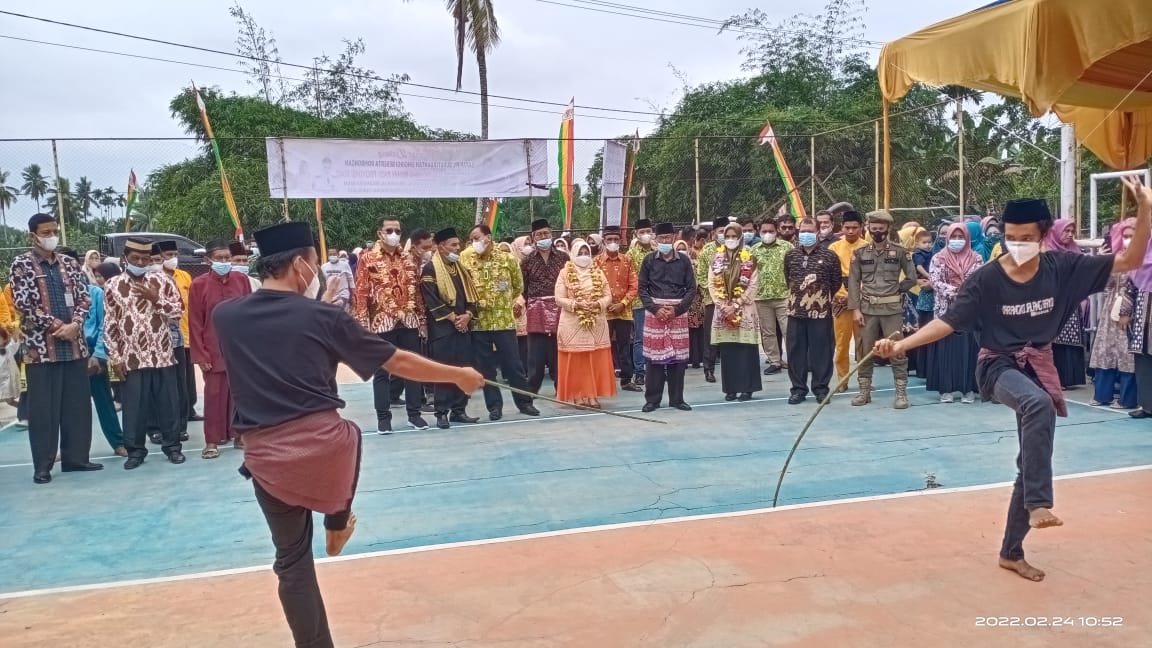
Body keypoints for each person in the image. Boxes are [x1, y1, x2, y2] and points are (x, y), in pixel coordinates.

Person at [213, 221, 484, 648]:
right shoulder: (323, 316)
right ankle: (337, 518)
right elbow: (397, 362)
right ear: (301, 265)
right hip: (322, 448)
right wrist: (460, 376)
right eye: (315, 262)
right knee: (346, 435)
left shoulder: (225, 317)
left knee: (292, 563)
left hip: (266, 457)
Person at [873, 181, 1152, 583]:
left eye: (1026, 238)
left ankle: (1011, 551)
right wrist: (903, 344)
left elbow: (1130, 259)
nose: (1016, 245)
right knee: (1037, 405)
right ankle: (1040, 503)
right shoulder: (986, 279)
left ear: (1042, 238)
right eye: (1009, 238)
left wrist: (1144, 211)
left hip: (1039, 364)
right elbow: (948, 321)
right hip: (998, 365)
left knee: (1030, 460)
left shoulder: (1065, 268)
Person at [10, 213, 101, 484]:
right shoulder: (22, 265)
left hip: (75, 348)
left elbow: (85, 297)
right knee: (43, 411)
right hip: (41, 351)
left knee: (77, 407)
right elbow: (24, 304)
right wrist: (58, 325)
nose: (51, 236)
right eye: (46, 232)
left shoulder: (70, 263)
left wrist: (75, 325)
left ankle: (76, 459)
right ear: (33, 235)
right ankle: (43, 466)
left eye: (54, 231)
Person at [104, 237, 186, 469]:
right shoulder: (112, 285)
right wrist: (115, 357)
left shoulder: (162, 281)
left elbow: (177, 312)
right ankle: (135, 452)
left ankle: (172, 448)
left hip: (162, 354)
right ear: (125, 258)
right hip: (131, 357)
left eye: (145, 259)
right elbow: (110, 324)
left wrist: (155, 298)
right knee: (134, 408)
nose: (140, 262)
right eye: (135, 258)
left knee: (168, 404)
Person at [352, 218, 429, 433]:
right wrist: (362, 326)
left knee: (413, 368)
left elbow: (418, 291)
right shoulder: (367, 258)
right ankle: (383, 418)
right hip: (380, 322)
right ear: (380, 233)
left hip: (409, 320)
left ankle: (414, 415)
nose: (394, 233)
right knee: (382, 372)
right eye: (390, 230)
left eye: (397, 230)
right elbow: (361, 293)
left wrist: (422, 320)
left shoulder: (409, 259)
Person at [460, 224, 539, 420]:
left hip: (503, 320)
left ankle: (524, 403)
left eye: (477, 237)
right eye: (472, 239)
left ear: (489, 236)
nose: (474, 242)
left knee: (513, 365)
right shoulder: (465, 259)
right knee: (486, 368)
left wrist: (500, 302)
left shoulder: (507, 259)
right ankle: (494, 407)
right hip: (479, 323)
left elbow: (517, 286)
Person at [847, 209, 917, 409]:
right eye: (874, 228)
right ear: (868, 228)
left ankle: (901, 394)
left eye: (881, 228)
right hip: (867, 311)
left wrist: (896, 289)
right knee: (864, 351)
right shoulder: (860, 253)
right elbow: (854, 281)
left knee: (897, 350)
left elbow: (911, 278)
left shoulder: (900, 252)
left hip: (891, 310)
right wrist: (855, 309)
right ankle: (864, 392)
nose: (877, 232)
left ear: (888, 229)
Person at [58, 248, 125, 457]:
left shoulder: (95, 293)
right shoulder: (55, 297)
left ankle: (118, 442)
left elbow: (104, 326)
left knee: (104, 400)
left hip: (92, 355)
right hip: (64, 356)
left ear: (77, 266)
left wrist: (97, 355)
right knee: (67, 406)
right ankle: (67, 448)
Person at [189, 240, 253, 459]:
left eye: (227, 258)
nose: (224, 262)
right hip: (213, 348)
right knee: (214, 395)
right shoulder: (199, 284)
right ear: (208, 260)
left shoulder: (241, 280)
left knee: (240, 394)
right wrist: (200, 354)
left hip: (239, 348)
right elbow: (195, 321)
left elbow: (248, 314)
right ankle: (212, 441)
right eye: (219, 258)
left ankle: (239, 435)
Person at [422, 227, 481, 430]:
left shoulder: (461, 269)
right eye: (453, 245)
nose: (458, 248)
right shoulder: (430, 268)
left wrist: (467, 316)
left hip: (463, 327)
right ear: (440, 246)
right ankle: (441, 413)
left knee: (464, 370)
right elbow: (431, 299)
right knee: (444, 371)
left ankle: (459, 410)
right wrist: (454, 317)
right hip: (443, 330)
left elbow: (472, 298)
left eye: (458, 244)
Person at [638, 223, 697, 412]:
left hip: (677, 312)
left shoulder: (684, 261)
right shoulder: (648, 260)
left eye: (668, 238)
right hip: (655, 312)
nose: (665, 241)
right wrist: (655, 309)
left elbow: (691, 288)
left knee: (678, 359)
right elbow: (642, 289)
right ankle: (652, 400)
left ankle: (677, 399)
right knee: (654, 360)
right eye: (661, 238)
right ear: (656, 238)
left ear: (674, 237)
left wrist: (677, 309)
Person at [783, 218, 842, 404]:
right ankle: (798, 390)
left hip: (821, 313)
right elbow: (788, 279)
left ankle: (821, 389)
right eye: (803, 231)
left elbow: (836, 282)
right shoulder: (791, 255)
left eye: (810, 231)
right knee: (795, 353)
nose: (805, 235)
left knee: (822, 353)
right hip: (795, 313)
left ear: (818, 232)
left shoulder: (830, 256)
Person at [555, 239, 616, 408]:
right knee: (577, 361)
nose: (583, 256)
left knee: (594, 360)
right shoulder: (564, 273)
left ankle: (592, 395)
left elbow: (608, 295)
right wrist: (576, 305)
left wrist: (598, 304)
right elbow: (558, 298)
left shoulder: (598, 272)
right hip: (572, 323)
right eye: (580, 253)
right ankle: (577, 396)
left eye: (586, 253)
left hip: (596, 322)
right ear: (573, 254)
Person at [925, 224, 983, 403]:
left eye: (961, 236)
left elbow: (978, 279)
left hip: (969, 310)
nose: (957, 240)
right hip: (945, 310)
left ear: (967, 238)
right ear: (947, 238)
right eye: (954, 236)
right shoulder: (938, 258)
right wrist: (954, 291)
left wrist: (963, 292)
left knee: (968, 350)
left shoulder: (976, 258)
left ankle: (968, 389)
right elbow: (934, 280)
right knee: (946, 350)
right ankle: (946, 390)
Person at [708, 223, 762, 401]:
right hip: (723, 310)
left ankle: (747, 388)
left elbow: (753, 285)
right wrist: (723, 306)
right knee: (728, 351)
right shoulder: (716, 258)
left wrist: (736, 304)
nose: (730, 239)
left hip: (744, 309)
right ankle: (730, 388)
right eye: (727, 235)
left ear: (740, 238)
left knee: (746, 349)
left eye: (733, 236)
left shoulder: (750, 258)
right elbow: (711, 284)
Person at [1090, 219, 1137, 410]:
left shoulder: (1145, 257)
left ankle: (1127, 399)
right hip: (1111, 309)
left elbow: (1138, 286)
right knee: (1105, 350)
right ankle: (1102, 395)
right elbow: (1106, 284)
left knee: (1128, 355)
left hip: (1133, 310)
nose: (1127, 240)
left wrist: (1127, 309)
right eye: (1125, 236)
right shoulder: (1118, 257)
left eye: (1132, 237)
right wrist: (1103, 263)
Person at [521, 219, 568, 394]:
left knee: (558, 350)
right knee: (536, 353)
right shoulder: (527, 261)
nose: (543, 237)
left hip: (559, 308)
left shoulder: (563, 257)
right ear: (533, 238)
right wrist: (531, 303)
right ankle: (532, 390)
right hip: (536, 310)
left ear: (551, 234)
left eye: (546, 233)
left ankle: (561, 389)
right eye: (539, 234)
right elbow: (523, 287)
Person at [157, 240, 198, 435]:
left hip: (186, 333)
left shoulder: (184, 276)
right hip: (166, 339)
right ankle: (170, 421)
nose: (172, 258)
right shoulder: (157, 278)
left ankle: (189, 410)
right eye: (167, 255)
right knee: (170, 381)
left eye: (174, 254)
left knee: (187, 378)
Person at [1043, 218, 1089, 388]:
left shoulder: (1075, 251)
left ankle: (1070, 378)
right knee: (1053, 341)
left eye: (1072, 232)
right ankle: (1053, 379)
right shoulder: (1046, 252)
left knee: (1070, 339)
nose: (1069, 235)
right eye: (1066, 231)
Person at [596, 226, 642, 392]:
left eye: (616, 240)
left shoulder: (627, 260)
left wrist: (622, 303)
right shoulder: (596, 262)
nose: (613, 243)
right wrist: (605, 303)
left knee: (624, 346)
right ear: (604, 241)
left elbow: (634, 285)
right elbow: (592, 287)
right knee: (602, 347)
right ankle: (601, 381)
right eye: (610, 240)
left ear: (621, 241)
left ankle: (626, 380)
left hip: (624, 311)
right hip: (603, 312)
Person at [827, 211, 869, 391]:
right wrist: (841, 294)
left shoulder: (869, 247)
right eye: (847, 227)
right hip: (840, 301)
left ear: (861, 228)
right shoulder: (834, 248)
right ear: (842, 228)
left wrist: (857, 294)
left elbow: (871, 277)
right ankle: (842, 380)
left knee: (864, 343)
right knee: (842, 343)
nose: (851, 231)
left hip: (863, 301)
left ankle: (864, 379)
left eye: (854, 227)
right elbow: (829, 276)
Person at [750, 217, 792, 376]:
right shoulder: (753, 250)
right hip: (761, 298)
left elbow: (793, 271)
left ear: (777, 231)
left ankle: (793, 360)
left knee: (789, 330)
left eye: (771, 231)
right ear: (759, 232)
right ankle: (775, 361)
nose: (767, 234)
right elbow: (749, 274)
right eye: (764, 231)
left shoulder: (787, 247)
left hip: (783, 296)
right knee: (768, 333)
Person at [695, 217, 728, 383]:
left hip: (732, 302)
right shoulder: (707, 250)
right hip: (712, 301)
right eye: (720, 231)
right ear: (714, 233)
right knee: (711, 336)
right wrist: (715, 293)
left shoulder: (735, 248)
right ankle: (708, 369)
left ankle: (731, 369)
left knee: (730, 334)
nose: (723, 234)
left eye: (726, 231)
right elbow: (700, 276)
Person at [627, 219, 657, 386]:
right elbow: (631, 280)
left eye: (648, 231)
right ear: (635, 235)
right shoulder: (630, 255)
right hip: (639, 302)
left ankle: (658, 369)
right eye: (642, 232)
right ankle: (639, 372)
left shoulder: (658, 250)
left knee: (658, 336)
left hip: (659, 300)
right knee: (640, 338)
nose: (646, 235)